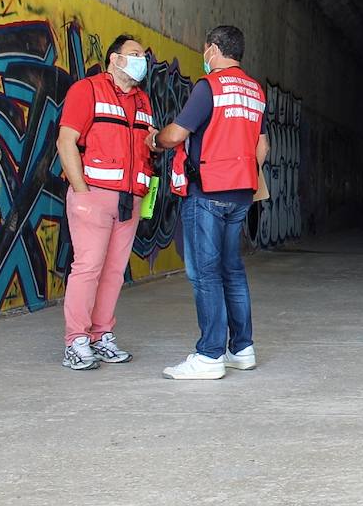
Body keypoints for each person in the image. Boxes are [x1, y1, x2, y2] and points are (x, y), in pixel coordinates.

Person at [156, 25, 269, 380]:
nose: (204, 54)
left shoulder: (210, 88)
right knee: (231, 270)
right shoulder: (255, 91)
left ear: (215, 49)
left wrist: (154, 141)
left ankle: (208, 355)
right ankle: (242, 348)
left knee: (205, 273)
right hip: (241, 193)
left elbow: (176, 134)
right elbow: (261, 147)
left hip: (207, 192)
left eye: (205, 49)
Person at [54, 35, 159, 370]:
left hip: (131, 199)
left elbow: (145, 146)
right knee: (88, 268)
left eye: (143, 55)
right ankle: (76, 340)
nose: (141, 59)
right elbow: (66, 141)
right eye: (134, 54)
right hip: (95, 196)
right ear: (115, 58)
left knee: (114, 271)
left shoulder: (143, 100)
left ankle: (101, 336)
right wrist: (81, 191)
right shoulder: (88, 90)